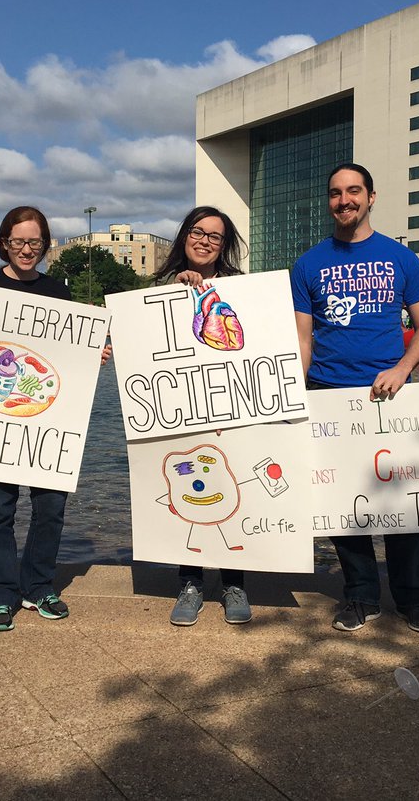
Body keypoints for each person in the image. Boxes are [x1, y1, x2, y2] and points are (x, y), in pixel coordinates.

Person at [0, 206, 111, 632]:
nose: (26, 249)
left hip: (46, 420)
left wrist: (94, 355)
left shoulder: (58, 293)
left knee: (50, 508)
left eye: (34, 242)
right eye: (18, 241)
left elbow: (67, 358)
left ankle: (39, 587)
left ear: (45, 245)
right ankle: (1, 594)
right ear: (4, 242)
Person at [292, 162, 419, 634]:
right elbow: (303, 340)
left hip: (391, 396)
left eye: (353, 191)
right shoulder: (308, 263)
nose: (344, 200)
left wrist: (402, 368)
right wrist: (295, 395)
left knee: (403, 503)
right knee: (343, 504)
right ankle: (359, 595)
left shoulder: (401, 258)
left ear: (371, 197)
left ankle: (412, 599)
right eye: (335, 193)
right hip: (329, 393)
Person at [152, 206, 253, 627]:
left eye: (215, 235)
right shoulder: (158, 288)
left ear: (224, 244)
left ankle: (234, 582)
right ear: (185, 235)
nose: (205, 240)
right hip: (181, 409)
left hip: (231, 405)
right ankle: (189, 583)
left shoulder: (243, 289)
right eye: (199, 231)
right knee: (186, 492)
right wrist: (177, 291)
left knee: (234, 490)